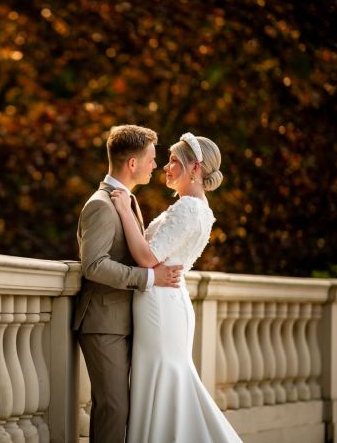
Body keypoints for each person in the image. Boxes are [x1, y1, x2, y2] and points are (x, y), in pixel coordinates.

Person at [110, 132, 242, 442]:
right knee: (168, 379)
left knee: (162, 379)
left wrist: (126, 211)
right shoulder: (198, 208)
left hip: (160, 306)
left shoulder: (187, 210)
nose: (165, 168)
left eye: (174, 162)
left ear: (195, 169)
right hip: (169, 302)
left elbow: (146, 257)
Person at [73, 125, 183, 443]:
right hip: (103, 322)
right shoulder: (101, 204)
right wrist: (149, 278)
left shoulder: (125, 200)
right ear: (132, 163)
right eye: (150, 158)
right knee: (113, 408)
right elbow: (93, 265)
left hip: (123, 321)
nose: (154, 165)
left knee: (125, 409)